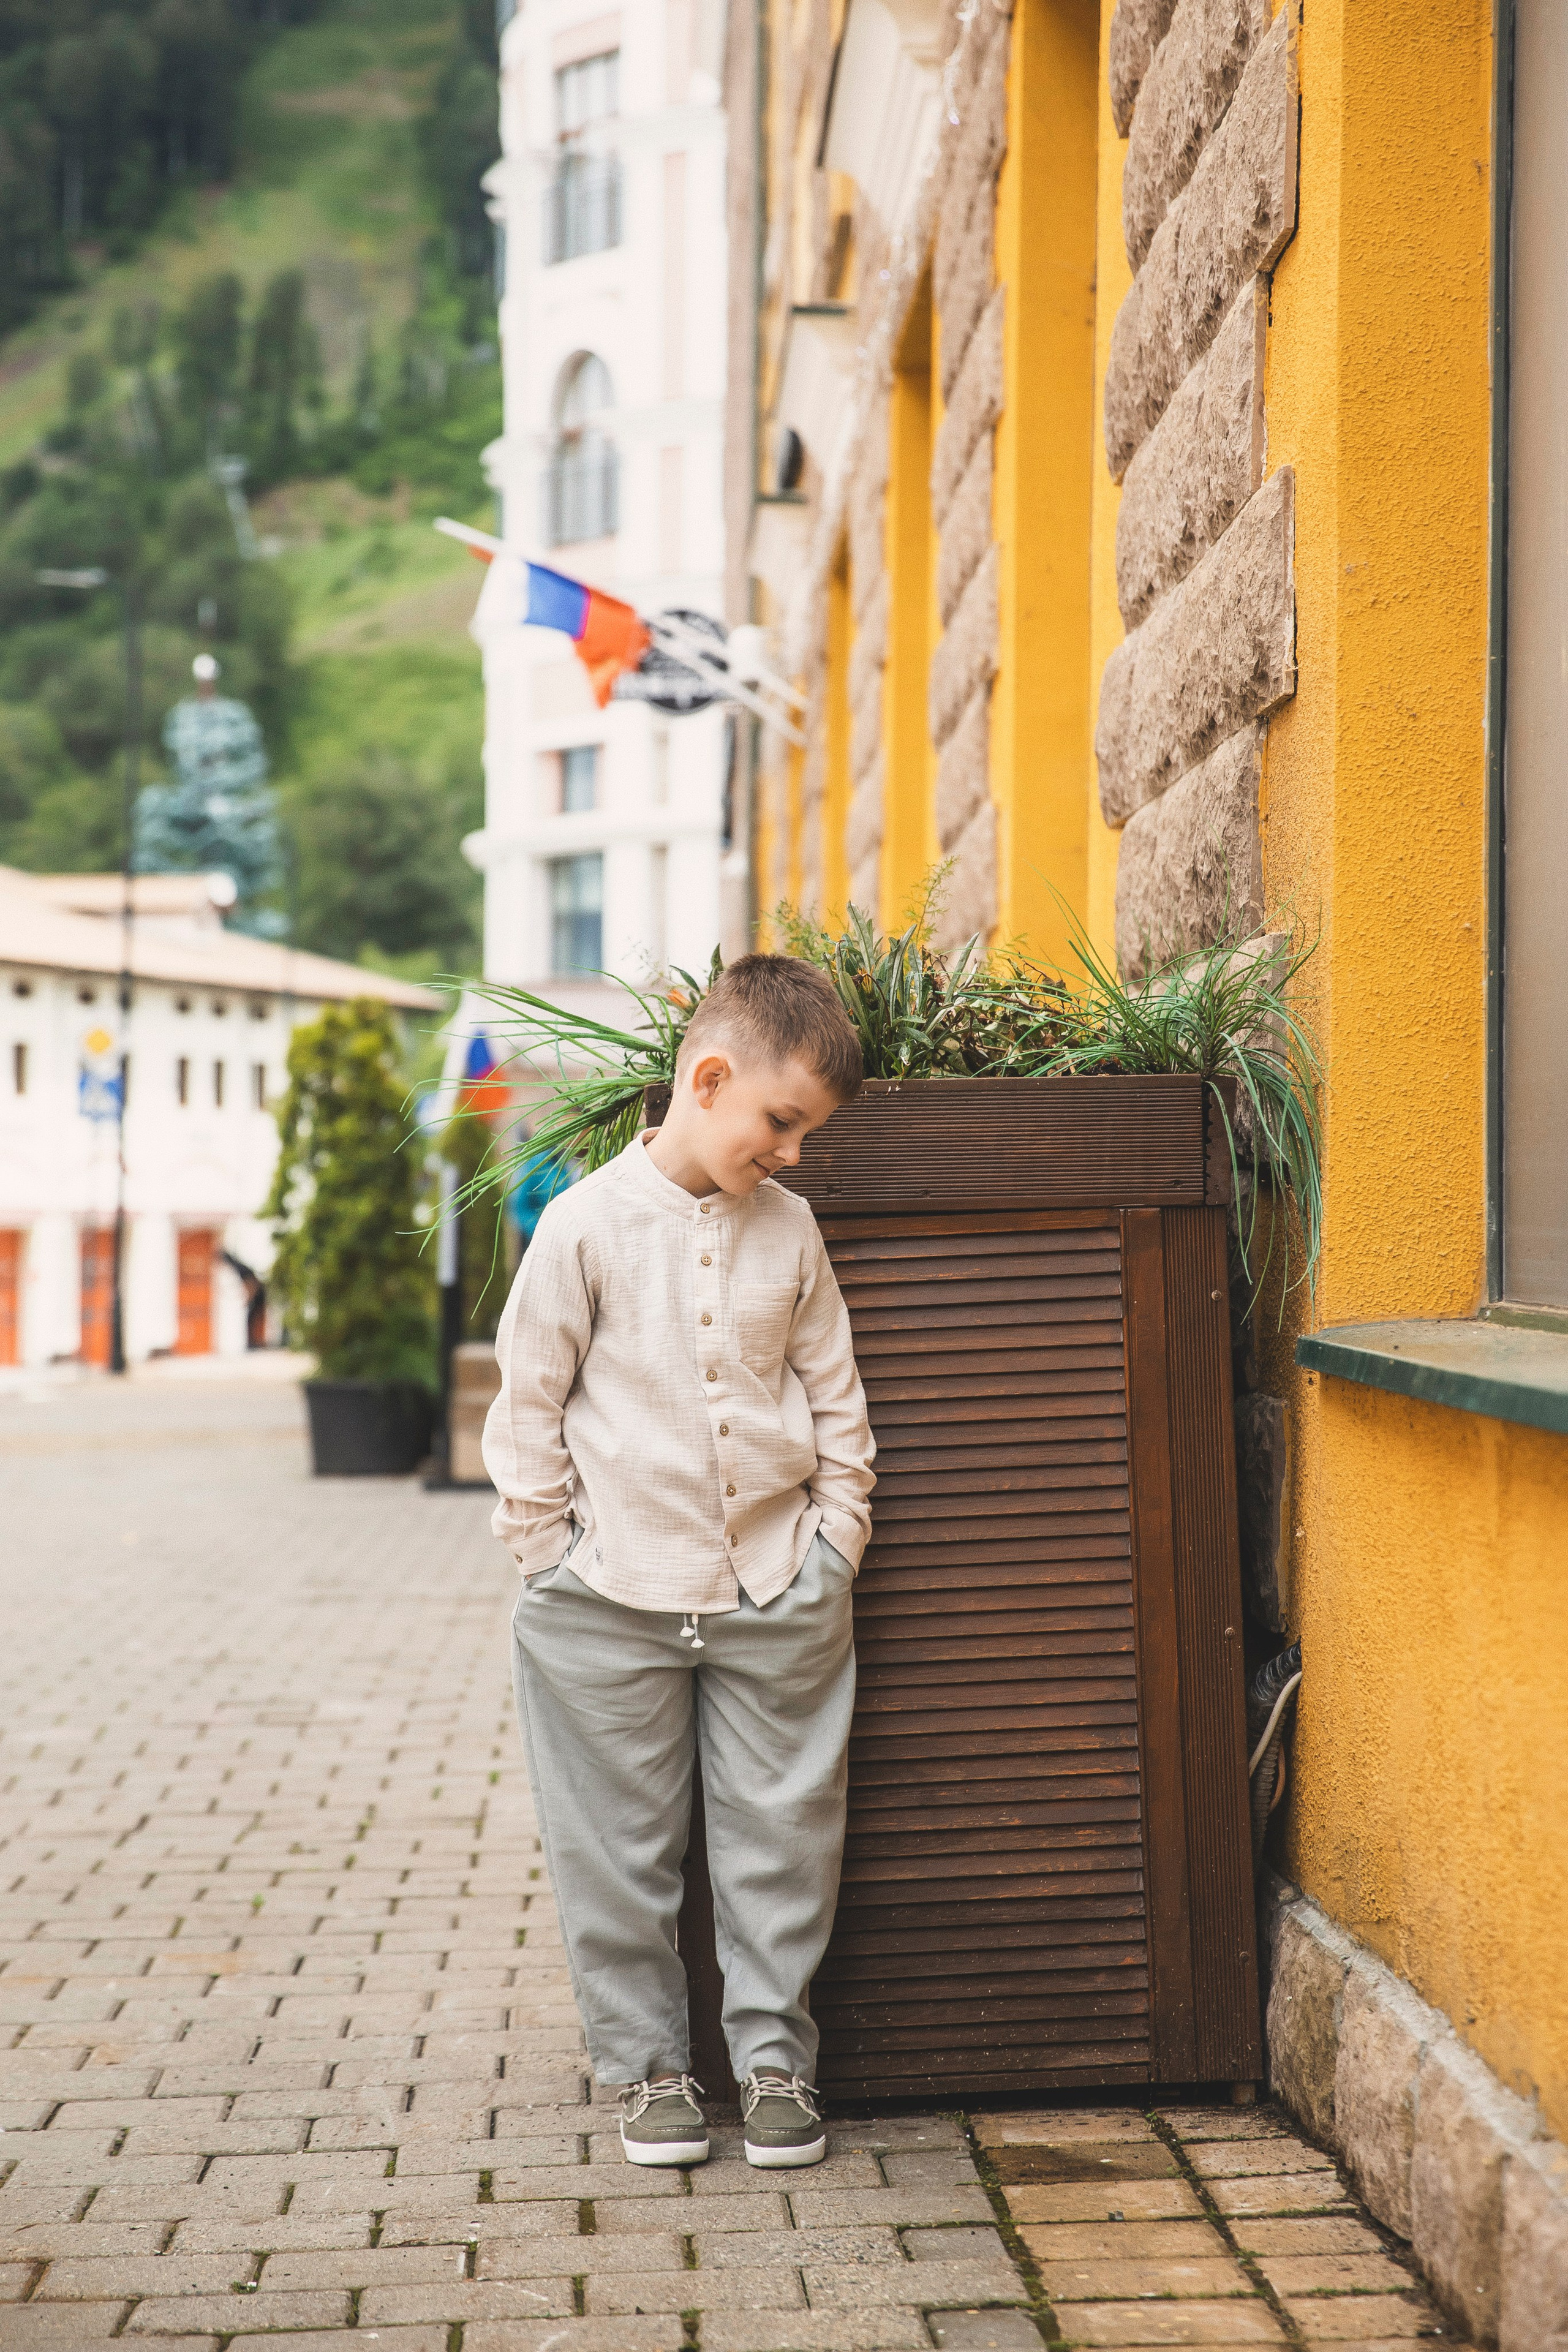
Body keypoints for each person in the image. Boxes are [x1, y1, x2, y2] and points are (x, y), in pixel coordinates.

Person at [483, 953, 875, 2171]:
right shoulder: (584, 1226)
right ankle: (648, 2071)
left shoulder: (791, 1230)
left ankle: (771, 2069)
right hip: (605, 1598)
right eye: (781, 1123)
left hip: (775, 1588)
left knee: (782, 1838)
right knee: (612, 1847)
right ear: (707, 1078)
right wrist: (549, 1558)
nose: (793, 1153)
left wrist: (833, 1546)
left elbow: (834, 1402)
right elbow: (527, 1403)